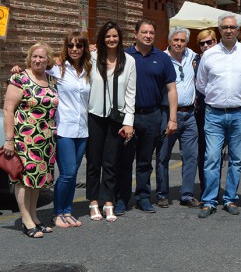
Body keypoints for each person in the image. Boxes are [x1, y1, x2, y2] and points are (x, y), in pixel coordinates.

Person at [115, 19, 178, 215]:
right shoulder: (123, 55)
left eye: (151, 32)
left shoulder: (162, 58)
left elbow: (171, 89)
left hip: (152, 115)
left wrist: (172, 118)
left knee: (145, 161)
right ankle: (121, 199)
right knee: (124, 160)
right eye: (144, 32)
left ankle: (143, 197)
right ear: (135, 34)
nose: (148, 36)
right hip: (128, 117)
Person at [196, 14, 241, 218]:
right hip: (214, 114)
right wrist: (219, 97)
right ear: (219, 30)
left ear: (238, 30)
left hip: (240, 113)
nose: (229, 30)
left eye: (232, 27)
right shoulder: (209, 54)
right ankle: (209, 200)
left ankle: (230, 198)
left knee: (236, 160)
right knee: (211, 158)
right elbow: (201, 84)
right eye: (225, 27)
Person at [3, 42, 58, 238]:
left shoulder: (51, 80)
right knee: (24, 180)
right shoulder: (19, 78)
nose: (38, 60)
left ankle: (34, 216)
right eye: (34, 56)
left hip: (46, 140)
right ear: (29, 57)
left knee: (38, 181)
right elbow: (9, 109)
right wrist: (9, 140)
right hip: (25, 138)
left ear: (48, 60)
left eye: (42, 57)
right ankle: (26, 219)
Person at [86, 22, 136, 222]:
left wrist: (129, 121)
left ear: (120, 38)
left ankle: (108, 201)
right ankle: (93, 201)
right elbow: (66, 63)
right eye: (107, 36)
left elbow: (131, 93)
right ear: (101, 38)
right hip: (94, 116)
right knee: (93, 161)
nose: (111, 39)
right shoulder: (92, 57)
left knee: (111, 162)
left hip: (118, 118)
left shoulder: (129, 61)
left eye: (115, 36)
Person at [155, 27, 200, 209]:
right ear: (169, 40)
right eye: (176, 40)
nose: (179, 43)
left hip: (189, 114)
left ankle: (187, 195)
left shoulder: (193, 57)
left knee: (191, 157)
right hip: (167, 113)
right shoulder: (161, 58)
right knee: (163, 156)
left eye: (182, 40)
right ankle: (162, 194)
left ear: (187, 42)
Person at [50, 32, 92, 228]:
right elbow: (34, 69)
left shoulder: (88, 70)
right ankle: (57, 212)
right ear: (66, 48)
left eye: (79, 46)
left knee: (74, 174)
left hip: (82, 130)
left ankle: (67, 211)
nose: (74, 49)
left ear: (84, 48)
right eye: (71, 46)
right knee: (67, 173)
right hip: (64, 129)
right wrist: (17, 68)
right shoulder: (58, 69)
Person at [195, 29, 217, 198]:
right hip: (199, 112)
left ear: (215, 42)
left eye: (209, 42)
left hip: (216, 110)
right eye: (202, 43)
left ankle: (214, 189)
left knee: (215, 153)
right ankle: (205, 188)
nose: (206, 46)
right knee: (203, 152)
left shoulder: (220, 59)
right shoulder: (194, 60)